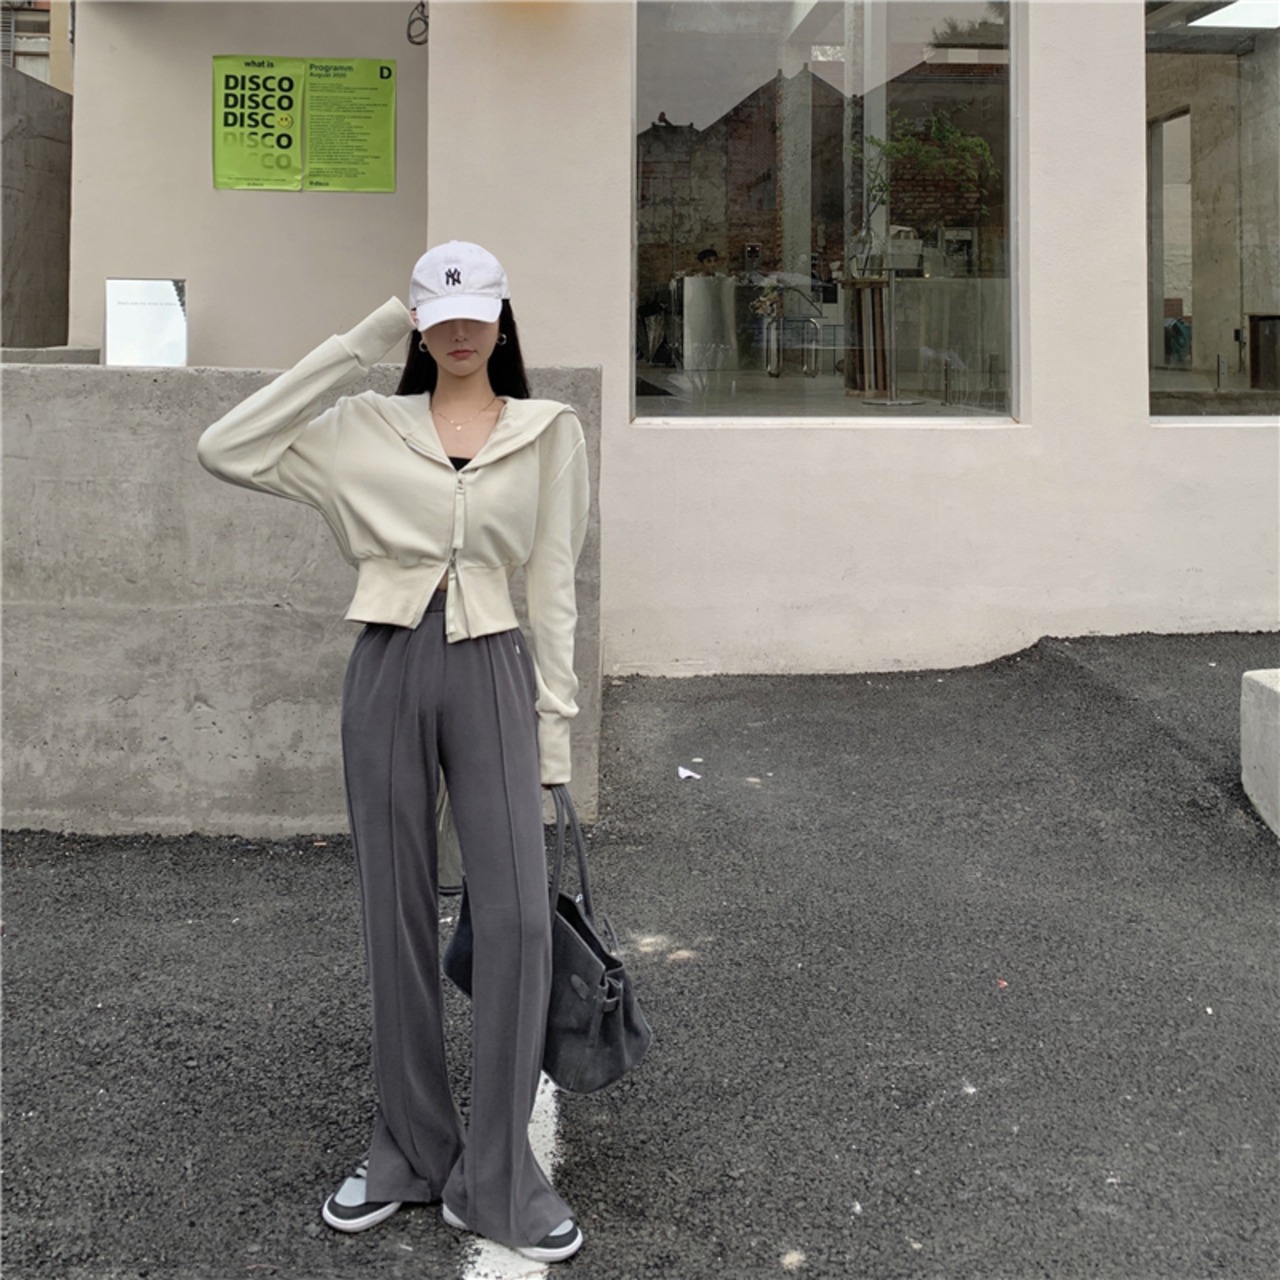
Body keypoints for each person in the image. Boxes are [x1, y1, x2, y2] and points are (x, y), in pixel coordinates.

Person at [196, 241, 589, 1263]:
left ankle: (499, 1174)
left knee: (518, 918)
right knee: (394, 910)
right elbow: (225, 446)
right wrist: (359, 342)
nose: (459, 331)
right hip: (386, 661)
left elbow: (552, 582)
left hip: (493, 664)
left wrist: (553, 727)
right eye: (437, 314)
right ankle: (410, 1147)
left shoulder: (548, 430)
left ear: (502, 319)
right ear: (416, 323)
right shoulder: (363, 425)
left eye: (476, 312)